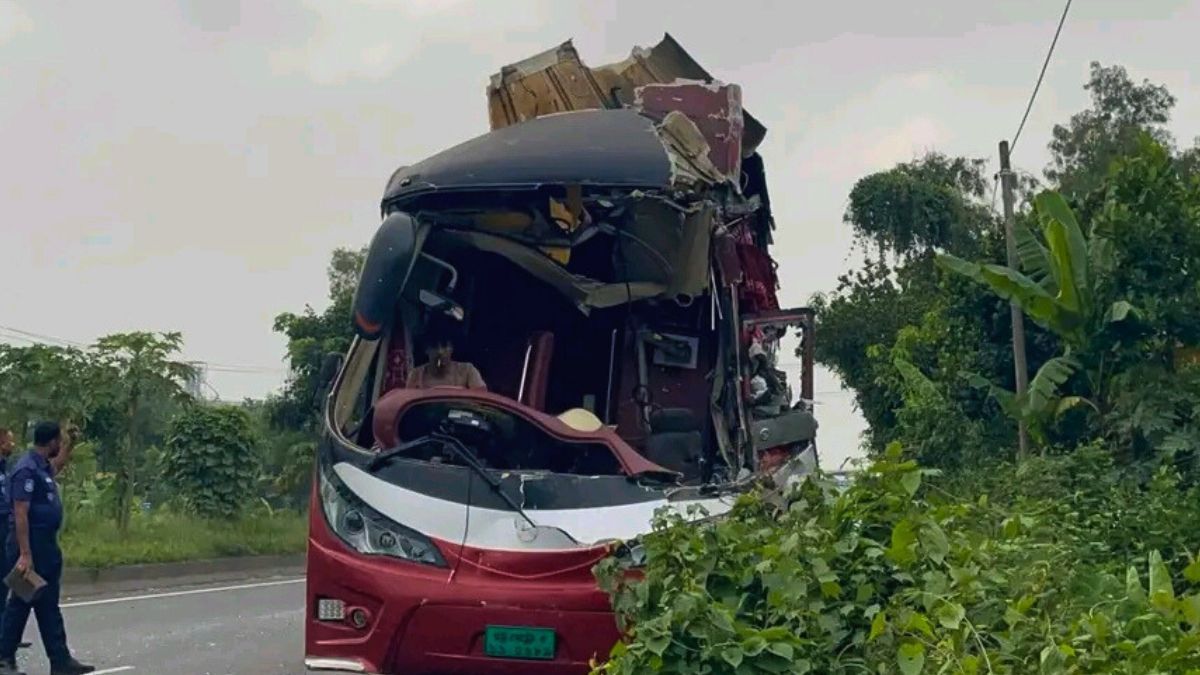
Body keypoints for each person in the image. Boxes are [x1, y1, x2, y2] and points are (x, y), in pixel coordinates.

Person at [0, 422, 92, 675]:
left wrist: (71, 444)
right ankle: (4, 658)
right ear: (50, 442)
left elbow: (58, 465)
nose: (60, 445)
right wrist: (25, 554)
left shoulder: (41, 468)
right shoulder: (26, 469)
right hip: (30, 544)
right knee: (21, 601)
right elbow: (20, 513)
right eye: (59, 441)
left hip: (47, 545)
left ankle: (60, 660)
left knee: (48, 604)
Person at [0, 428, 31, 656]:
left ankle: (6, 634)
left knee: (8, 582)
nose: (12, 444)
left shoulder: (6, 468)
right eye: (9, 441)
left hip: (6, 527)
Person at [406, 322, 487, 391]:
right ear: (426, 349)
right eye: (434, 346)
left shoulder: (468, 371)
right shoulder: (416, 375)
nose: (440, 352)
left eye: (444, 346)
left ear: (452, 348)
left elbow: (482, 402)